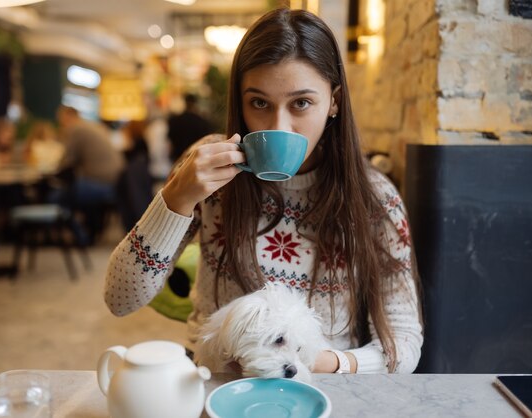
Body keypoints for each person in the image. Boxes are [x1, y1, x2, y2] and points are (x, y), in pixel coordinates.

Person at [105, 8, 422, 374]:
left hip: (321, 391)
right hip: (218, 384)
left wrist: (316, 363)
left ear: (333, 101)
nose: (279, 126)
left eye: (301, 103)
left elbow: (404, 342)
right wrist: (175, 199)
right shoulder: (209, 172)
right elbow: (120, 299)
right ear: (240, 102)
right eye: (259, 103)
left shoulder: (374, 198)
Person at [54, 106, 125, 241]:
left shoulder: (77, 129)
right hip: (116, 181)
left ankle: (81, 237)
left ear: (68, 117)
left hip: (103, 184)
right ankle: (87, 232)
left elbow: (66, 161)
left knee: (57, 197)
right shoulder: (92, 126)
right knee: (71, 190)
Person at [117, 120, 155, 232]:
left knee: (128, 192)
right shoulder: (142, 144)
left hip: (135, 176)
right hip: (139, 177)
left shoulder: (136, 146)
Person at [167, 93, 214, 163]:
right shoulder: (201, 121)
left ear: (185, 102)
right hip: (196, 158)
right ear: (195, 103)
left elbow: (170, 139)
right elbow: (207, 140)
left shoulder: (175, 120)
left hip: (178, 158)